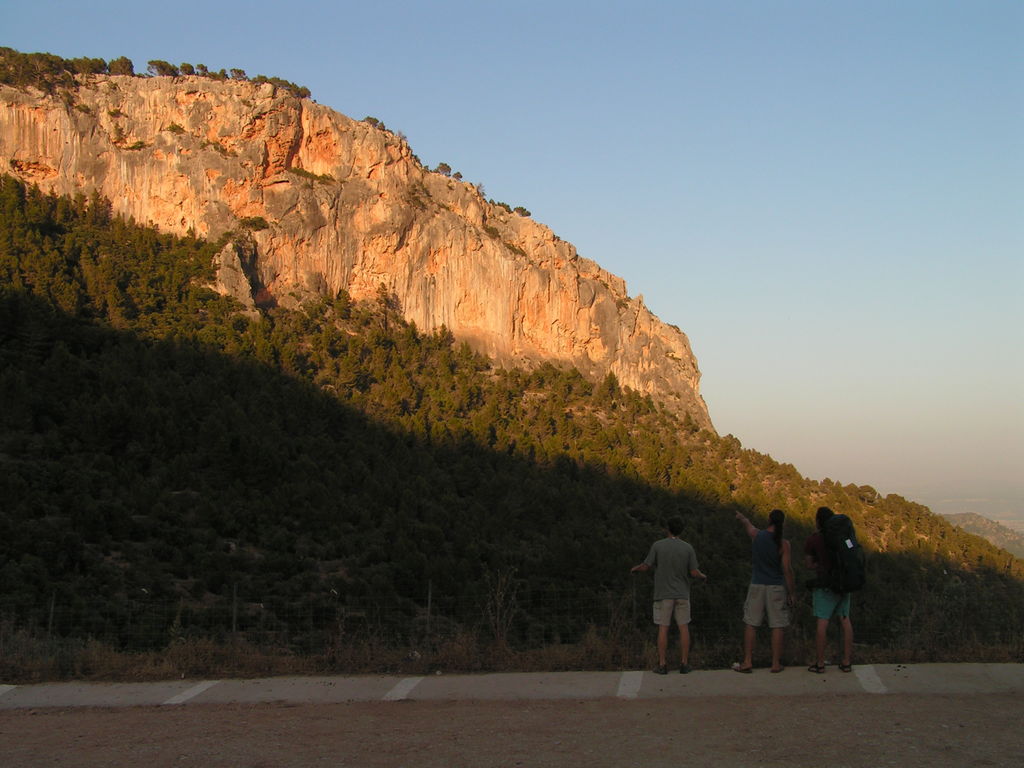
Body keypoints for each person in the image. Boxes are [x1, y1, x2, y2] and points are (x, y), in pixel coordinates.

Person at [631, 516, 707, 674]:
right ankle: (684, 663)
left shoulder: (658, 545)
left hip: (663, 594)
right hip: (682, 593)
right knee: (684, 627)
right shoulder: (688, 548)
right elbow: (694, 572)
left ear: (667, 529)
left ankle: (662, 664)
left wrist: (635, 569)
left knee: (663, 628)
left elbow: (646, 566)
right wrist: (703, 576)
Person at [733, 509, 795, 673]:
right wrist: (791, 592)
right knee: (776, 625)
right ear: (783, 523)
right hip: (776, 587)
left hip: (757, 585)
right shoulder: (784, 544)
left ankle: (747, 661)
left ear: (769, 520)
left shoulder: (758, 536)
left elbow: (749, 526)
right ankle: (775, 663)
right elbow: (787, 569)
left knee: (751, 623)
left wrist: (743, 518)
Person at [804, 506, 854, 673]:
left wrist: (821, 564)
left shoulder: (814, 539)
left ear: (818, 521)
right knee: (845, 621)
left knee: (822, 623)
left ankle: (819, 663)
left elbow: (809, 565)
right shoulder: (842, 537)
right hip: (844, 584)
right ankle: (846, 662)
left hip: (825, 586)